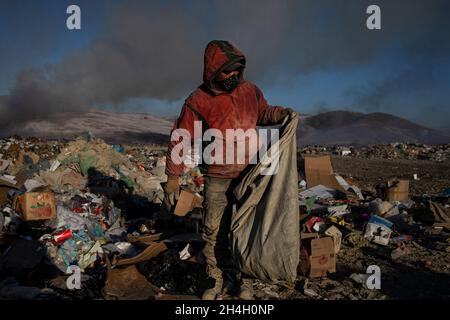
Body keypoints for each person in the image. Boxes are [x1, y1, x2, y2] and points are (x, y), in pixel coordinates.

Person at [163, 40, 294, 300]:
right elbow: (181, 136)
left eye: (237, 71)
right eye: (227, 72)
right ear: (213, 70)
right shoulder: (198, 100)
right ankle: (216, 278)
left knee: (246, 229)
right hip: (217, 177)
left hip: (249, 174)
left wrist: (280, 113)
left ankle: (243, 279)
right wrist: (172, 178)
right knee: (214, 230)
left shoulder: (251, 91)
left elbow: (263, 113)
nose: (233, 76)